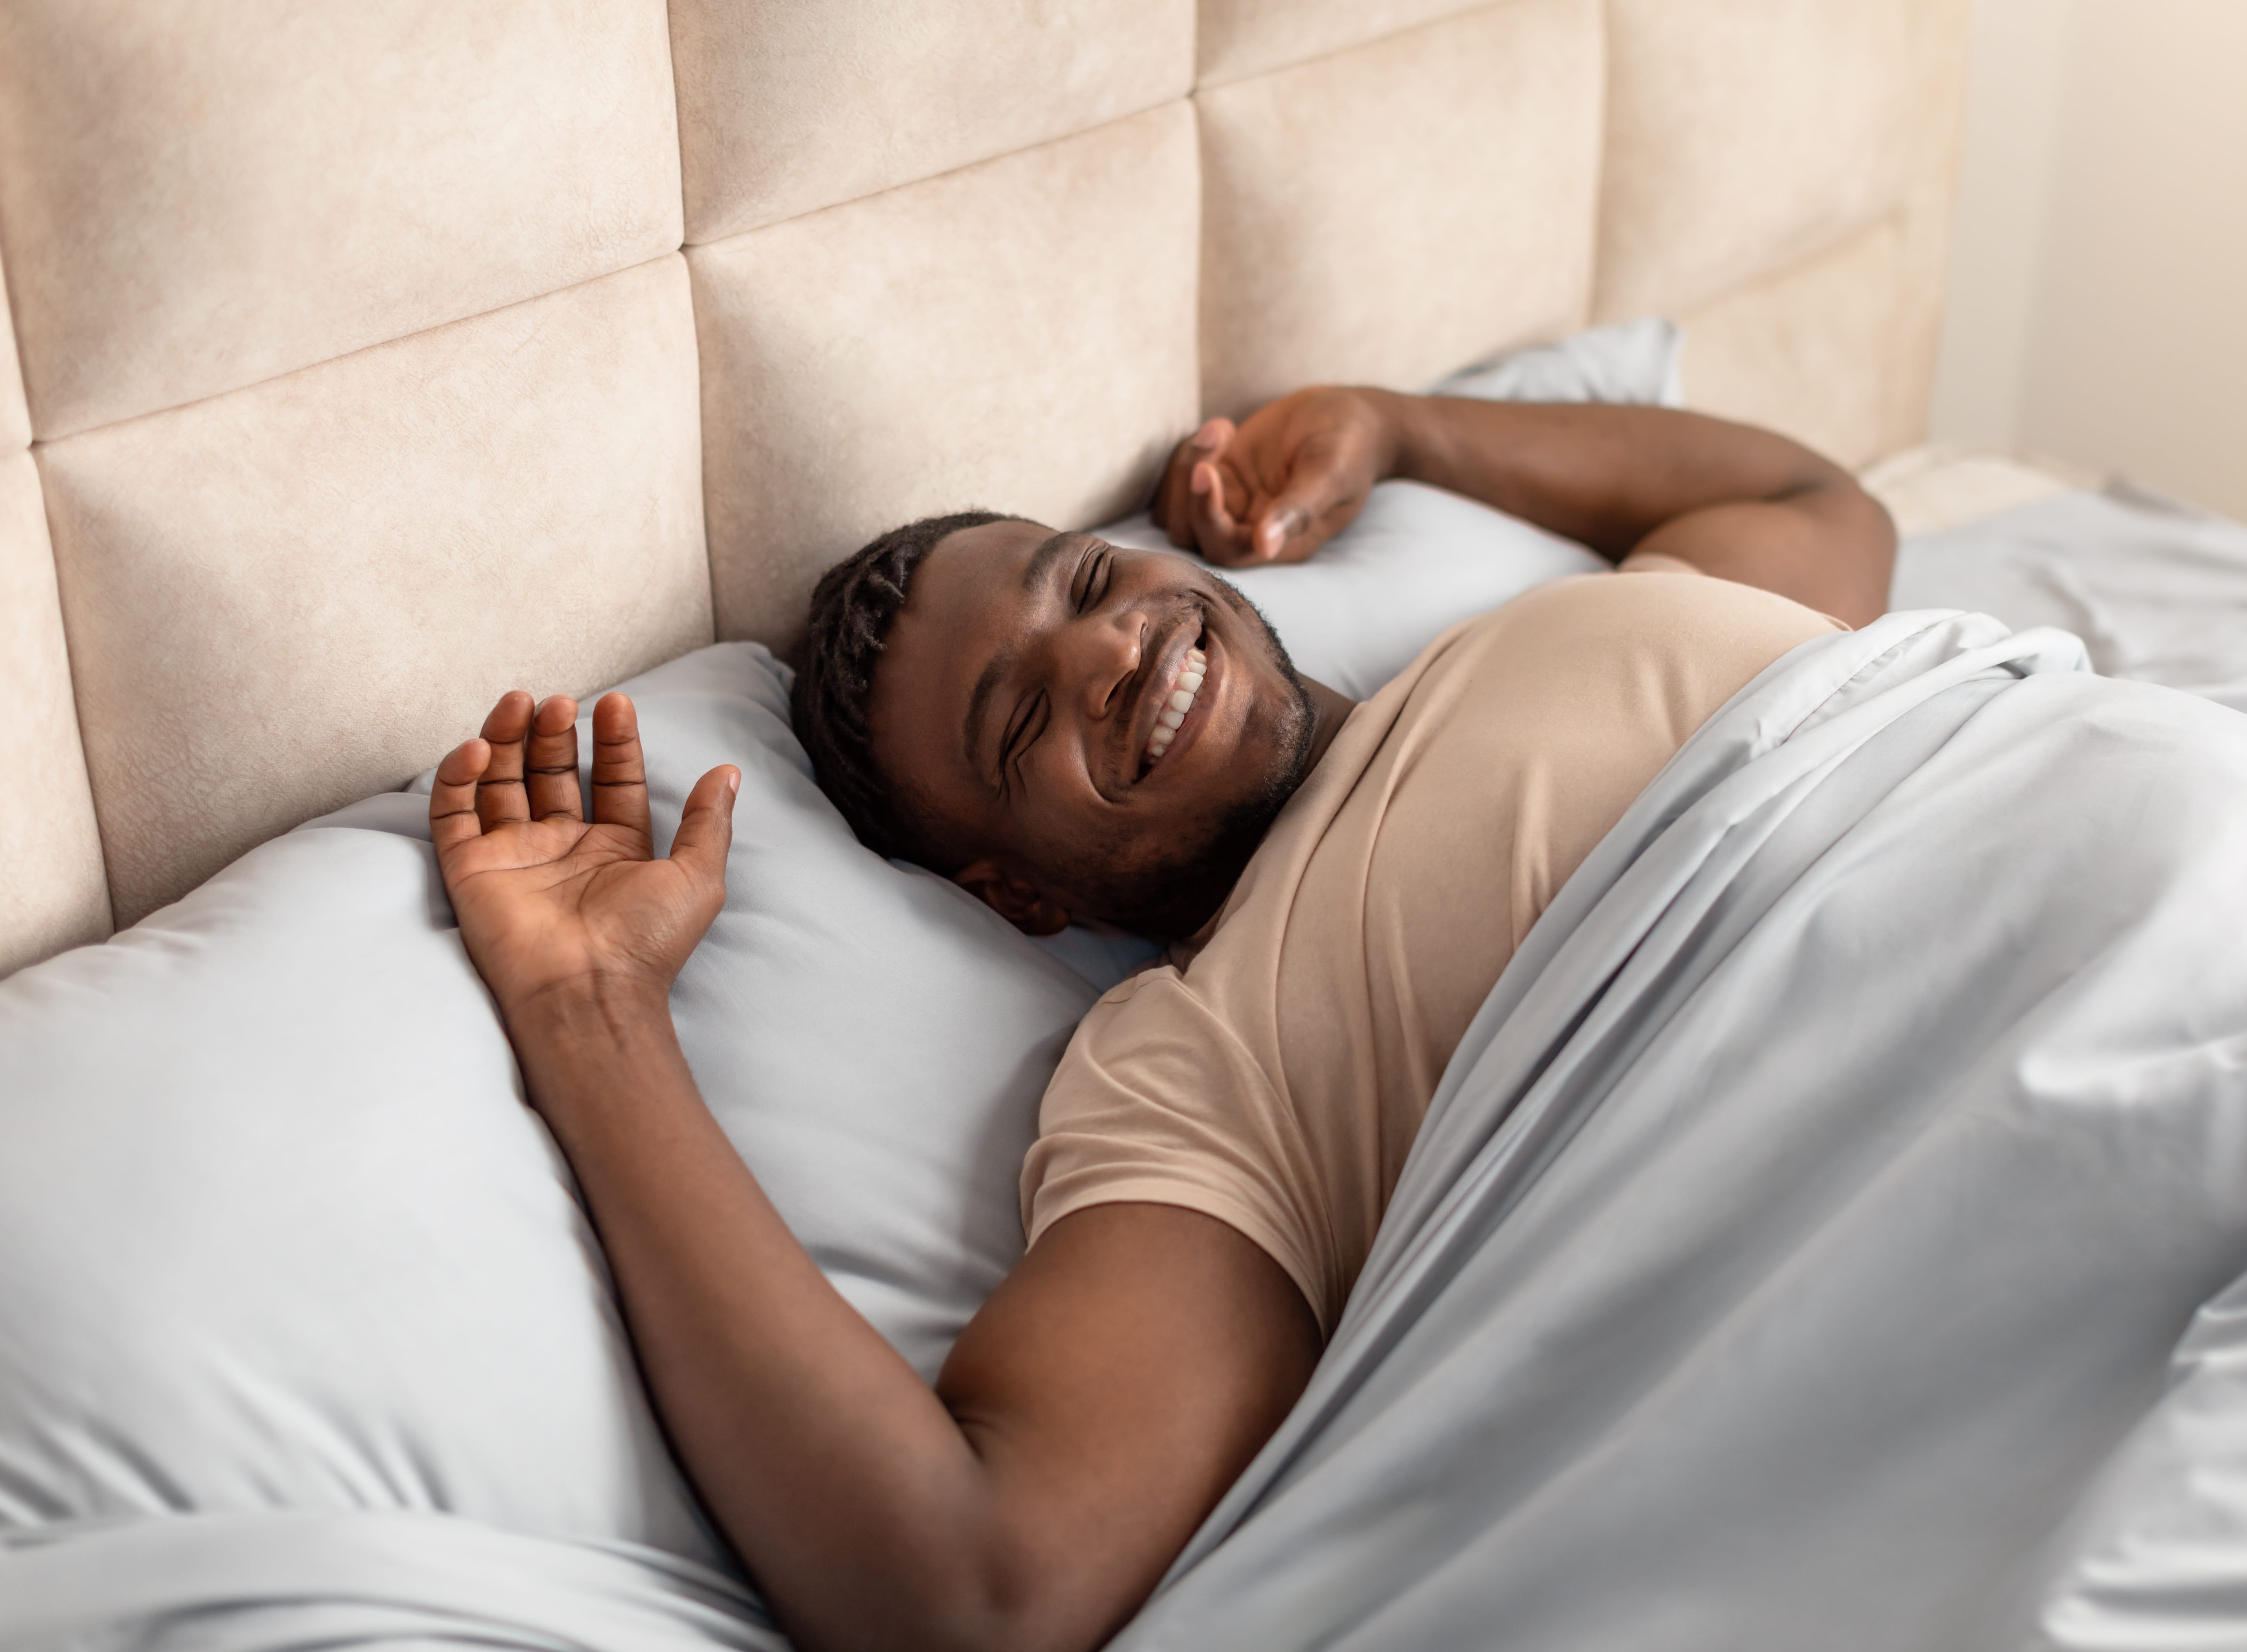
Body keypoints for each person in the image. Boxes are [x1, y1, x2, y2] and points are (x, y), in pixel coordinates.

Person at [427, 386, 1894, 1652]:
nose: (1110, 652)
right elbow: (977, 1588)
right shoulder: (1200, 1062)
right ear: (1014, 895)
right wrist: (592, 1008)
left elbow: (1805, 495)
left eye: (1085, 582)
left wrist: (1395, 424)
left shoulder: (1551, 622)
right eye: (1019, 724)